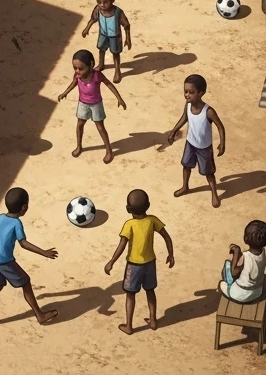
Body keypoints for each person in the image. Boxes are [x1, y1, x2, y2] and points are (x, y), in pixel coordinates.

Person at [0, 186, 59, 325]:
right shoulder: (16, 223)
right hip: (4, 261)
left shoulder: (0, 218)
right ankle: (40, 315)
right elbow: (23, 243)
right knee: (26, 282)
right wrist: (44, 252)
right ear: (24, 207)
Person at [104, 188, 174, 334]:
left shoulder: (129, 225)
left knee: (130, 295)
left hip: (134, 265)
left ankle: (129, 326)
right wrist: (170, 254)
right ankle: (153, 321)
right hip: (150, 263)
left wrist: (111, 261)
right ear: (148, 205)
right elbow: (167, 237)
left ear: (127, 209)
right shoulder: (152, 220)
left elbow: (122, 245)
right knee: (150, 291)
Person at [58, 48, 126, 164]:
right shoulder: (77, 76)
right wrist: (65, 93)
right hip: (83, 104)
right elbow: (73, 84)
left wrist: (119, 98)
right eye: (75, 68)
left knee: (100, 127)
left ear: (91, 65)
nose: (77, 71)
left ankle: (109, 150)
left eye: (81, 68)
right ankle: (79, 146)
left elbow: (109, 84)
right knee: (80, 125)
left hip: (96, 105)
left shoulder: (97, 76)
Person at [167, 74, 225, 207]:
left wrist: (222, 144)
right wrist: (173, 131)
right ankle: (185, 186)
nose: (187, 95)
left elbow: (220, 127)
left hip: (204, 147)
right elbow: (184, 118)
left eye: (191, 92)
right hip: (190, 144)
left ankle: (214, 194)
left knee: (209, 173)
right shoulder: (188, 106)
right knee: (186, 166)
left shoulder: (208, 111)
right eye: (185, 91)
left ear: (201, 93)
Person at [82, 0, 131, 82]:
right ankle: (101, 64)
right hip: (103, 34)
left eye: (105, 2)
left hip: (115, 37)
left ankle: (117, 71)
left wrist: (128, 39)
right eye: (99, 2)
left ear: (112, 0)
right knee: (101, 49)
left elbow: (126, 25)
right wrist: (87, 28)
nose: (102, 5)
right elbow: (93, 19)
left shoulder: (118, 12)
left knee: (115, 53)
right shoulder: (98, 9)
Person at [219, 220, 266, 303]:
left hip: (241, 294)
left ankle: (227, 291)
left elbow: (233, 273)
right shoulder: (262, 252)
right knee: (244, 271)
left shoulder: (246, 256)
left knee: (227, 268)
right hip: (257, 291)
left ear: (245, 238)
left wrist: (236, 252)